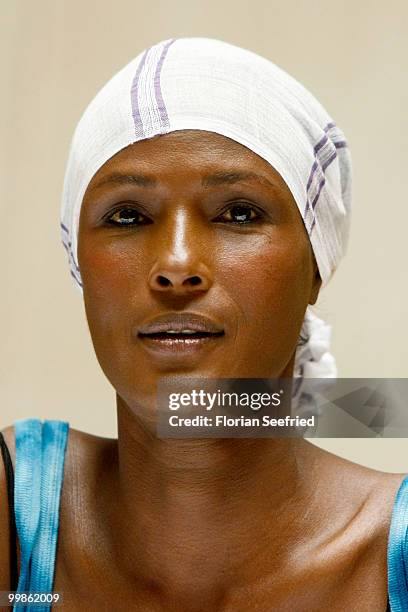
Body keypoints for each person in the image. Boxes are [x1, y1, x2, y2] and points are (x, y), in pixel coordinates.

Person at [0, 37, 406, 611]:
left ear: (316, 264)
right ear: (79, 264)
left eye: (239, 213)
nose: (177, 265)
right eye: (128, 216)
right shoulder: (18, 510)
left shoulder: (396, 554)